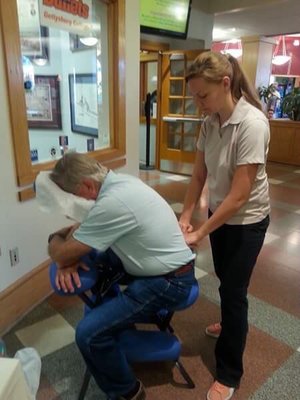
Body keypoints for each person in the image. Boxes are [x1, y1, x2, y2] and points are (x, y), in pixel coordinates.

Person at [47, 152, 197, 400]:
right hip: (162, 267)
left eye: (73, 195)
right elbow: (80, 231)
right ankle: (113, 318)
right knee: (97, 258)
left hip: (168, 282)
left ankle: (128, 391)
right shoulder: (122, 183)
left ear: (87, 185)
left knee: (87, 334)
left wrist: (55, 242)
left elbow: (62, 251)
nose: (73, 202)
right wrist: (67, 258)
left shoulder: (112, 202)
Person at [178, 51, 270, 400]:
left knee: (234, 292)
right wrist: (186, 216)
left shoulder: (252, 124)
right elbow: (199, 174)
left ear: (226, 83)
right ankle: (230, 323)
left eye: (203, 95)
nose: (198, 103)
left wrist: (201, 231)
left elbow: (239, 196)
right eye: (194, 96)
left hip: (247, 221)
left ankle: (230, 374)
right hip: (222, 216)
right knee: (225, 279)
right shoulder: (209, 121)